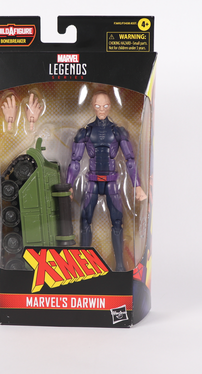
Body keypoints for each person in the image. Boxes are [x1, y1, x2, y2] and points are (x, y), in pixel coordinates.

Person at [66, 91, 147, 271]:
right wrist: (69, 185)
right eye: (97, 106)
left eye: (105, 106)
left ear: (110, 107)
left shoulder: (118, 132)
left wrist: (137, 186)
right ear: (92, 106)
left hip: (111, 183)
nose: (101, 110)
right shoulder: (85, 132)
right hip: (92, 182)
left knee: (117, 223)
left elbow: (130, 160)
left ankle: (120, 266)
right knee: (85, 222)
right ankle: (82, 265)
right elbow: (75, 161)